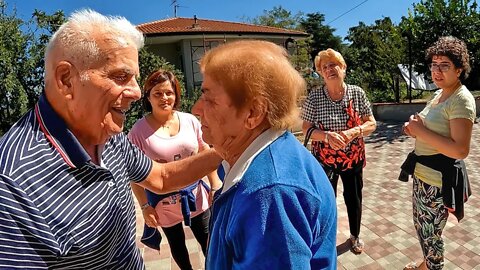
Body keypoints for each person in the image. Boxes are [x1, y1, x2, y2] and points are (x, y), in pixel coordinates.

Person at [0, 9, 221, 269]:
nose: (138, 92)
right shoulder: (12, 185)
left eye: (135, 79)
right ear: (66, 79)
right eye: (120, 77)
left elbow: (161, 177)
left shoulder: (106, 131)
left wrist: (229, 147)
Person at [191, 40, 337, 269]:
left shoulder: (269, 195)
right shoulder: (258, 155)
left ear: (253, 112)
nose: (196, 109)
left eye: (209, 98)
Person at [128, 69, 222, 270]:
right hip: (163, 203)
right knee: (177, 246)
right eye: (158, 93)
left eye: (169, 93)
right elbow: (134, 176)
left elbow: (204, 154)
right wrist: (145, 207)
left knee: (209, 244)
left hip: (196, 196)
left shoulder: (189, 121)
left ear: (176, 95)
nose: (164, 98)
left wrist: (215, 184)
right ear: (148, 97)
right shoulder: (138, 131)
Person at [401, 36, 476, 270]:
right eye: (434, 65)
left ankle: (432, 266)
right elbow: (425, 125)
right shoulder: (439, 94)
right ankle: (426, 264)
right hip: (423, 175)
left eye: (445, 65)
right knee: (424, 227)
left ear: (459, 69)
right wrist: (413, 128)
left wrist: (420, 131)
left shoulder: (461, 100)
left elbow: (460, 150)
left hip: (437, 181)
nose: (437, 71)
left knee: (431, 234)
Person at [301, 48, 376, 254]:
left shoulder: (357, 93)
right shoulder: (315, 97)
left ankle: (355, 236)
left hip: (353, 159)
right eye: (324, 67)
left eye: (334, 64)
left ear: (343, 68)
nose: (329, 69)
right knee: (325, 200)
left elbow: (372, 123)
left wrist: (354, 132)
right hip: (325, 161)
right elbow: (306, 129)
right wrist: (326, 136)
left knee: (354, 198)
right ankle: (324, 239)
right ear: (321, 73)